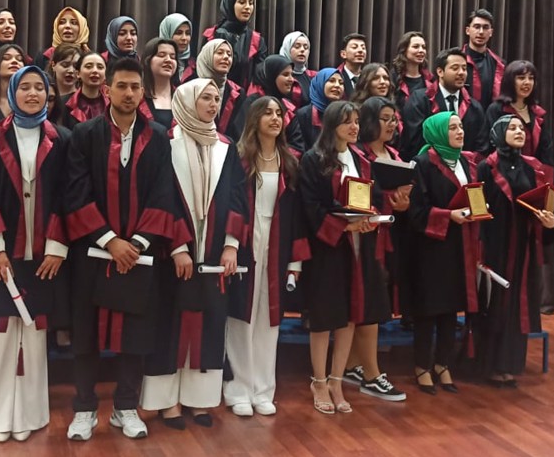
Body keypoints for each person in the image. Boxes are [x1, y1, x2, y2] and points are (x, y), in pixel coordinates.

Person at [63, 56, 180, 441]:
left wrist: (138, 243)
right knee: (86, 334)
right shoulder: (85, 135)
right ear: (107, 90)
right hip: (94, 253)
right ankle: (84, 409)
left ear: (143, 92)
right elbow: (75, 191)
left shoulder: (158, 137)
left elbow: (164, 192)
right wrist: (109, 240)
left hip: (139, 254)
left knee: (135, 333)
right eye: (122, 86)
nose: (128, 93)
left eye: (135, 87)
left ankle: (125, 407)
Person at [0, 65, 71, 443]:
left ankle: (29, 414)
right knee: (2, 333)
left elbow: (68, 195)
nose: (32, 93)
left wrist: (57, 247)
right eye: (24, 87)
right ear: (11, 93)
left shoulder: (61, 139)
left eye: (40, 87)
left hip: (44, 256)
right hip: (1, 253)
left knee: (35, 336)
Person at [142, 79, 248, 429]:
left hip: (215, 252)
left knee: (210, 324)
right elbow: (162, 197)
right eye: (206, 98)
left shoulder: (225, 146)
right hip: (174, 255)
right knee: (170, 324)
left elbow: (237, 197)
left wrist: (231, 245)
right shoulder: (166, 141)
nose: (213, 104)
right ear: (187, 101)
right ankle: (167, 402)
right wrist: (177, 248)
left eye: (217, 98)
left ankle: (199, 399)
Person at [297, 100, 389, 416]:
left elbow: (374, 198)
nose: (354, 127)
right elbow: (310, 206)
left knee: (351, 313)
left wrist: (371, 217)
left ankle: (337, 381)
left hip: (359, 244)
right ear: (331, 125)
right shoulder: (314, 159)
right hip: (329, 246)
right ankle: (319, 381)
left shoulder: (362, 159)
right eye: (347, 121)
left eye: (357, 121)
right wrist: (343, 225)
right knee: (325, 316)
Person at [226, 96, 307, 417]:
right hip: (247, 242)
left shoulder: (291, 163)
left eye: (279, 113)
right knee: (241, 318)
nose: (275, 118)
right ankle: (238, 389)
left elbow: (297, 217)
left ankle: (263, 390)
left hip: (278, 245)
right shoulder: (240, 159)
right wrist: (231, 244)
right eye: (268, 113)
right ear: (254, 118)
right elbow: (231, 205)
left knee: (269, 320)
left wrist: (295, 262)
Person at [475, 115, 554, 386]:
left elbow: (540, 205)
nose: (519, 131)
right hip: (494, 244)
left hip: (523, 245)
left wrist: (548, 221)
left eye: (522, 128)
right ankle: (489, 366)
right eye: (511, 128)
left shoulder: (533, 167)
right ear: (499, 133)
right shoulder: (486, 166)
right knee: (495, 304)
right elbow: (479, 205)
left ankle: (510, 364)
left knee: (516, 304)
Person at [406, 112, 482, 394]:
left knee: (451, 307)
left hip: (460, 244)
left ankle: (443, 364)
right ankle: (422, 366)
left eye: (461, 126)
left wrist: (478, 211)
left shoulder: (466, 162)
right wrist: (448, 216)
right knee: (429, 308)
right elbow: (416, 211)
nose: (460, 131)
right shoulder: (423, 163)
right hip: (431, 247)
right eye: (452, 127)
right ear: (438, 132)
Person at [341, 96, 409, 402]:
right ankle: (371, 373)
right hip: (363, 236)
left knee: (374, 301)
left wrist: (402, 203)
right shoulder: (358, 155)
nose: (391, 124)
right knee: (368, 302)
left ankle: (353, 365)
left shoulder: (395, 155)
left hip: (388, 235)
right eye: (385, 118)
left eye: (394, 118)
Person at [400, 47, 488, 160]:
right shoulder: (420, 100)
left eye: (464, 68)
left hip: (464, 167)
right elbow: (412, 142)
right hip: (427, 166)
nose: (461, 73)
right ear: (440, 72)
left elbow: (481, 148)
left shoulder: (474, 107)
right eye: (455, 68)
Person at [485, 60, 553, 165]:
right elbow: (490, 146)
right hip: (503, 170)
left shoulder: (537, 112)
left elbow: (546, 151)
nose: (527, 82)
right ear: (510, 82)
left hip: (533, 170)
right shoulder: (496, 110)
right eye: (521, 78)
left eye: (531, 78)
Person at [200, 0, 266, 90]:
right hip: (212, 92)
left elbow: (259, 77)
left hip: (245, 97)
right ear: (229, 4)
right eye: (242, 2)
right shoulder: (212, 35)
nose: (247, 7)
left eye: (251, 3)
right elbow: (202, 69)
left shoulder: (256, 40)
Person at [193, 38, 245, 138]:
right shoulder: (190, 88)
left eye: (229, 54)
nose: (226, 57)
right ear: (207, 56)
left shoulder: (237, 92)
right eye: (220, 53)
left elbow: (240, 131)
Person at [287, 68, 345, 154]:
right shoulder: (304, 115)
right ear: (320, 84)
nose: (337, 85)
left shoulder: (344, 114)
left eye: (341, 83)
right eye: (331, 81)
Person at [462, 9, 504, 110]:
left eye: (485, 28)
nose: (481, 32)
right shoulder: (455, 61)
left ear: (491, 32)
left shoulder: (499, 64)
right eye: (477, 27)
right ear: (467, 30)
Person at [138, 37, 179, 129]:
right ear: (147, 60)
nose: (168, 60)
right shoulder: (137, 96)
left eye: (173, 57)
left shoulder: (183, 97)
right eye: (161, 55)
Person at [391, 31, 433, 110]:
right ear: (404, 50)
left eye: (423, 47)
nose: (421, 50)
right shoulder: (392, 77)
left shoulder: (430, 78)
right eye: (416, 47)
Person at [65, 51, 108, 124]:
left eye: (100, 67)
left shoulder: (113, 103)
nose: (95, 70)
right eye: (88, 66)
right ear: (78, 73)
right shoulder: (64, 103)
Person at [279, 31, 316, 105]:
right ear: (287, 48)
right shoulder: (278, 75)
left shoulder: (314, 77)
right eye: (297, 46)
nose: (302, 50)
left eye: (306, 47)